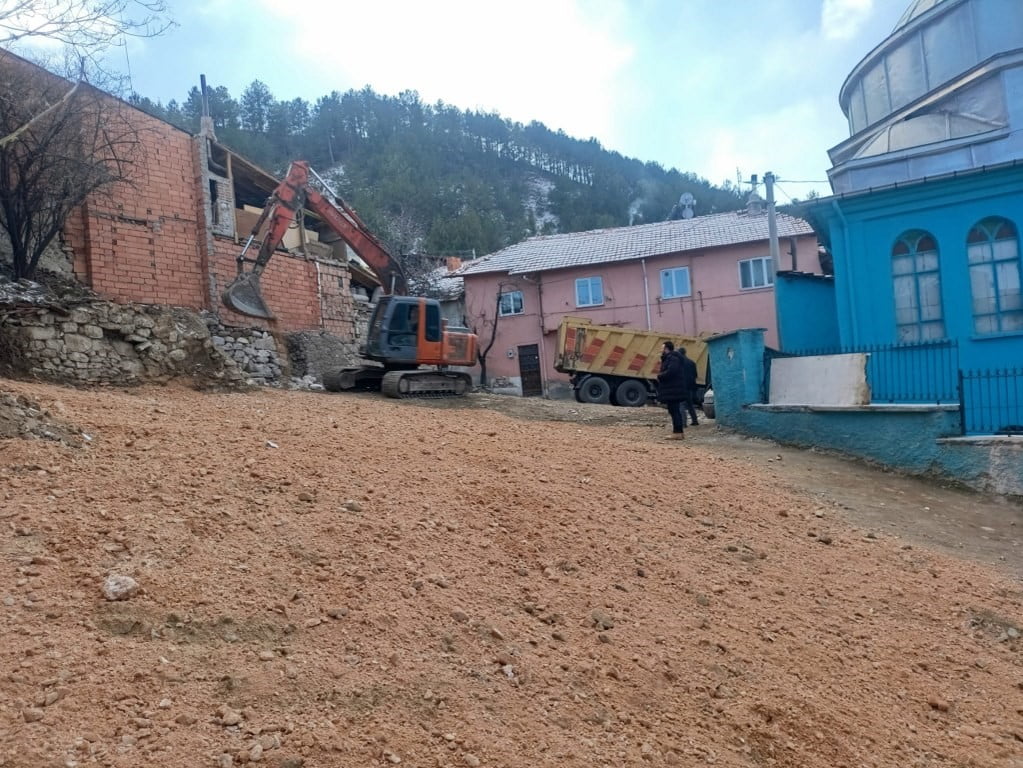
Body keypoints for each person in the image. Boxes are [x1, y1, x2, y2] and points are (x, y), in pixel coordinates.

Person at [656, 341, 688, 440]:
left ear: (666, 348)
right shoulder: (673, 358)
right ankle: (679, 432)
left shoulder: (672, 358)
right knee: (674, 410)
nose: (661, 350)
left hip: (673, 389)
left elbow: (671, 371)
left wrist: (660, 376)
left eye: (662, 348)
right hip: (673, 389)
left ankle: (677, 432)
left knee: (674, 411)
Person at [678, 347, 699, 426]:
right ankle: (695, 421)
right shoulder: (692, 362)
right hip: (690, 387)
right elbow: (695, 375)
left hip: (681, 386)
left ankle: (683, 423)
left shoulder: (678, 363)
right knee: (690, 404)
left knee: (681, 404)